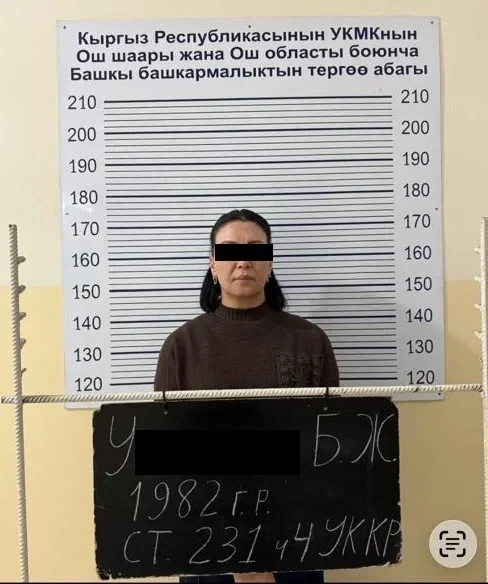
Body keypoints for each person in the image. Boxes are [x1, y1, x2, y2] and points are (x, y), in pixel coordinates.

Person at [154, 209, 340, 584]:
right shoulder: (182, 346)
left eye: (255, 249)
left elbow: (333, 442)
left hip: (295, 536)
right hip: (206, 538)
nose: (243, 262)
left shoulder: (309, 340)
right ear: (212, 264)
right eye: (229, 251)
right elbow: (167, 455)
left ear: (270, 262)